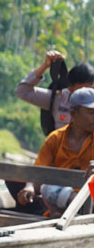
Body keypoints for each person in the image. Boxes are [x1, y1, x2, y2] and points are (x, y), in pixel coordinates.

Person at [16, 87, 94, 216]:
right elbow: (38, 171)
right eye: (91, 112)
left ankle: (70, 210)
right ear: (73, 113)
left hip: (90, 198)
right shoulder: (56, 138)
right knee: (47, 188)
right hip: (63, 197)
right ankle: (69, 208)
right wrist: (29, 187)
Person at [14, 50, 94, 132]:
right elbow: (22, 91)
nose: (88, 95)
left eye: (91, 90)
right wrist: (45, 65)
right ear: (70, 89)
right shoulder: (58, 98)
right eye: (82, 91)